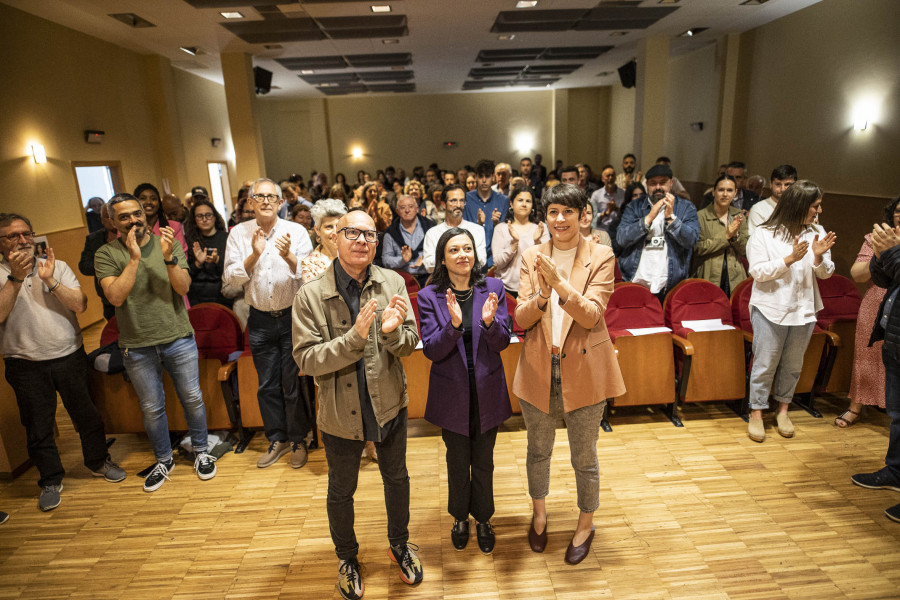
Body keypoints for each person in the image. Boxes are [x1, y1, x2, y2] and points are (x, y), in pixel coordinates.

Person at [292, 210, 423, 599]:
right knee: (341, 490)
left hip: (388, 404)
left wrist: (391, 332)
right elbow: (306, 359)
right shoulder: (311, 294)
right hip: (339, 412)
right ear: (335, 237)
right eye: (352, 233)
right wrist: (354, 338)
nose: (361, 241)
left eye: (370, 234)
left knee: (396, 479)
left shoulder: (393, 281)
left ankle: (400, 544)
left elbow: (410, 342)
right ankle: (347, 557)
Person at [513, 184, 626, 565]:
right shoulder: (531, 255)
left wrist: (559, 285)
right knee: (537, 451)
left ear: (583, 216)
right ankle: (540, 515)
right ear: (545, 217)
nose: (559, 220)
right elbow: (521, 317)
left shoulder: (602, 256)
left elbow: (592, 315)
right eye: (553, 212)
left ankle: (585, 523)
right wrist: (542, 296)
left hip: (585, 368)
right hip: (539, 366)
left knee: (585, 457)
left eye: (568, 212)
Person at [1, 213, 125, 511]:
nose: (22, 240)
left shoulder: (57, 267)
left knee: (87, 414)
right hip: (24, 363)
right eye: (13, 236)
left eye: (26, 234)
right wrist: (16, 280)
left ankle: (98, 461)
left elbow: (80, 304)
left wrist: (50, 280)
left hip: (69, 355)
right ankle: (50, 479)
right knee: (38, 424)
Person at [95, 194, 217, 491]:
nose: (134, 220)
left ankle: (202, 452)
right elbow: (115, 297)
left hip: (178, 337)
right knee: (151, 407)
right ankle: (164, 459)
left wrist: (167, 256)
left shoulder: (168, 242)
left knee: (192, 398)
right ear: (113, 221)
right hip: (136, 345)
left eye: (137, 213)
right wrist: (135, 258)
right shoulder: (106, 254)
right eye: (124, 216)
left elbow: (184, 286)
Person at [418, 227, 512, 554]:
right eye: (454, 250)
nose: (463, 255)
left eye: (468, 249)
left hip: (487, 390)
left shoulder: (494, 288)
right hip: (452, 393)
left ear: (476, 253)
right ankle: (459, 516)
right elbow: (431, 349)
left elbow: (501, 342)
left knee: (484, 460)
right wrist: (454, 326)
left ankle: (484, 517)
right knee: (457, 460)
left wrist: (488, 323)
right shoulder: (429, 296)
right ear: (443, 258)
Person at [223, 178, 314, 469]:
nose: (265, 201)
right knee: (267, 385)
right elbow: (230, 279)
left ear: (279, 202)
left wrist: (288, 256)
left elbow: (310, 273)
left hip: (291, 318)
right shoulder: (238, 234)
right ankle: (277, 437)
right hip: (259, 320)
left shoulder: (296, 231)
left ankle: (298, 439)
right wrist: (255, 255)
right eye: (259, 196)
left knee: (292, 384)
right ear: (250, 202)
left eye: (271, 196)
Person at [745, 180, 836, 442]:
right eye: (815, 207)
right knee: (765, 364)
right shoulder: (764, 233)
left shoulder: (816, 231)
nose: (818, 212)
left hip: (803, 309)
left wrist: (818, 257)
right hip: (770, 308)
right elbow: (758, 272)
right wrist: (789, 259)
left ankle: (783, 410)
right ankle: (757, 412)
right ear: (798, 206)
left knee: (793, 365)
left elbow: (826, 274)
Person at [852, 208, 900, 523]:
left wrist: (893, 251)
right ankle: (895, 471)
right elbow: (884, 278)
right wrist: (883, 255)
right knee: (898, 415)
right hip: (895, 336)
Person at [836, 198, 898, 427]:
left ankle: (891, 407)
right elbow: (858, 274)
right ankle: (855, 407)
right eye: (898, 211)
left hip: (898, 305)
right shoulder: (874, 239)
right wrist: (880, 252)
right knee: (866, 356)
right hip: (875, 302)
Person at [616, 164, 700, 302]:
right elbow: (621, 239)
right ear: (646, 185)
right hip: (637, 280)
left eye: (663, 183)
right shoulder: (634, 206)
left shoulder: (686, 207)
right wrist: (648, 218)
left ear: (671, 183)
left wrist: (670, 218)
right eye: (653, 183)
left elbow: (691, 240)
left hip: (671, 284)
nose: (658, 187)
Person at [692, 175, 749, 296]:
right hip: (708, 274)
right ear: (713, 192)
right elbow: (697, 248)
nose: (725, 194)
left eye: (729, 190)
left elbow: (745, 249)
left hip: (735, 275)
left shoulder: (739, 216)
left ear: (735, 193)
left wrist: (734, 237)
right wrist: (726, 235)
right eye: (721, 190)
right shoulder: (700, 216)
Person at [492, 186, 548, 298]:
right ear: (511, 204)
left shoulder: (541, 228)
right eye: (520, 200)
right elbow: (498, 263)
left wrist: (537, 241)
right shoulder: (501, 228)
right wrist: (513, 245)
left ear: (532, 206)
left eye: (528, 201)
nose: (524, 204)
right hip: (505, 289)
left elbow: (546, 263)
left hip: (534, 288)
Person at [423, 185, 486, 273]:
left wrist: (446, 259)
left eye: (461, 200)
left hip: (470, 280)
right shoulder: (433, 233)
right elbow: (428, 265)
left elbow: (481, 261)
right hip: (443, 283)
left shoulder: (477, 230)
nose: (458, 205)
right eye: (453, 200)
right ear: (443, 204)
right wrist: (462, 259)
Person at [183, 199, 231, 308]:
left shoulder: (226, 238)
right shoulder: (189, 240)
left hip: (221, 295)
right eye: (200, 216)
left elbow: (233, 270)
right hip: (196, 296)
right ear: (194, 220)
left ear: (214, 217)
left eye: (208, 215)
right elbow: (184, 274)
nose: (204, 219)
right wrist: (197, 264)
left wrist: (217, 260)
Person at [463, 159, 508, 269]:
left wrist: (497, 224)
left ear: (493, 177)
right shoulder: (466, 199)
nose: (484, 180)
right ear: (476, 177)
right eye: (480, 176)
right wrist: (478, 224)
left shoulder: (503, 200)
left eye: (487, 176)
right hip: (471, 255)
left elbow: (506, 233)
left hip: (495, 256)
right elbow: (462, 228)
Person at [382, 195, 435, 288]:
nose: (407, 210)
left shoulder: (430, 227)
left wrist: (426, 259)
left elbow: (440, 253)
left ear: (417, 209)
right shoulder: (390, 233)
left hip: (429, 278)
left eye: (411, 207)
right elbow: (386, 260)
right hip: (402, 282)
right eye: (403, 207)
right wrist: (402, 260)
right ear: (397, 211)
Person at [78, 202, 119, 320]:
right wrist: (106, 265)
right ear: (102, 220)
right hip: (108, 300)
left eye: (114, 215)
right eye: (107, 216)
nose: (111, 219)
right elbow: (84, 266)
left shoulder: (132, 236)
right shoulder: (93, 239)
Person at [134, 183, 188, 254]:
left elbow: (181, 257)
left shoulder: (174, 226)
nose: (149, 202)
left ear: (159, 203)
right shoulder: (128, 228)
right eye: (143, 198)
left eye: (153, 199)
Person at [748, 165, 798, 235]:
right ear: (771, 184)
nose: (782, 189)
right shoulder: (758, 209)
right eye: (778, 184)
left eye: (787, 184)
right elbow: (755, 240)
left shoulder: (802, 207)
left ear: (795, 185)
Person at [589, 165, 625, 232]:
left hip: (619, 230)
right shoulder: (596, 195)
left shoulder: (623, 194)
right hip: (602, 230)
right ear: (602, 179)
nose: (610, 178)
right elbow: (591, 217)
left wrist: (616, 209)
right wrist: (606, 213)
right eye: (608, 176)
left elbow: (627, 214)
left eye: (612, 175)